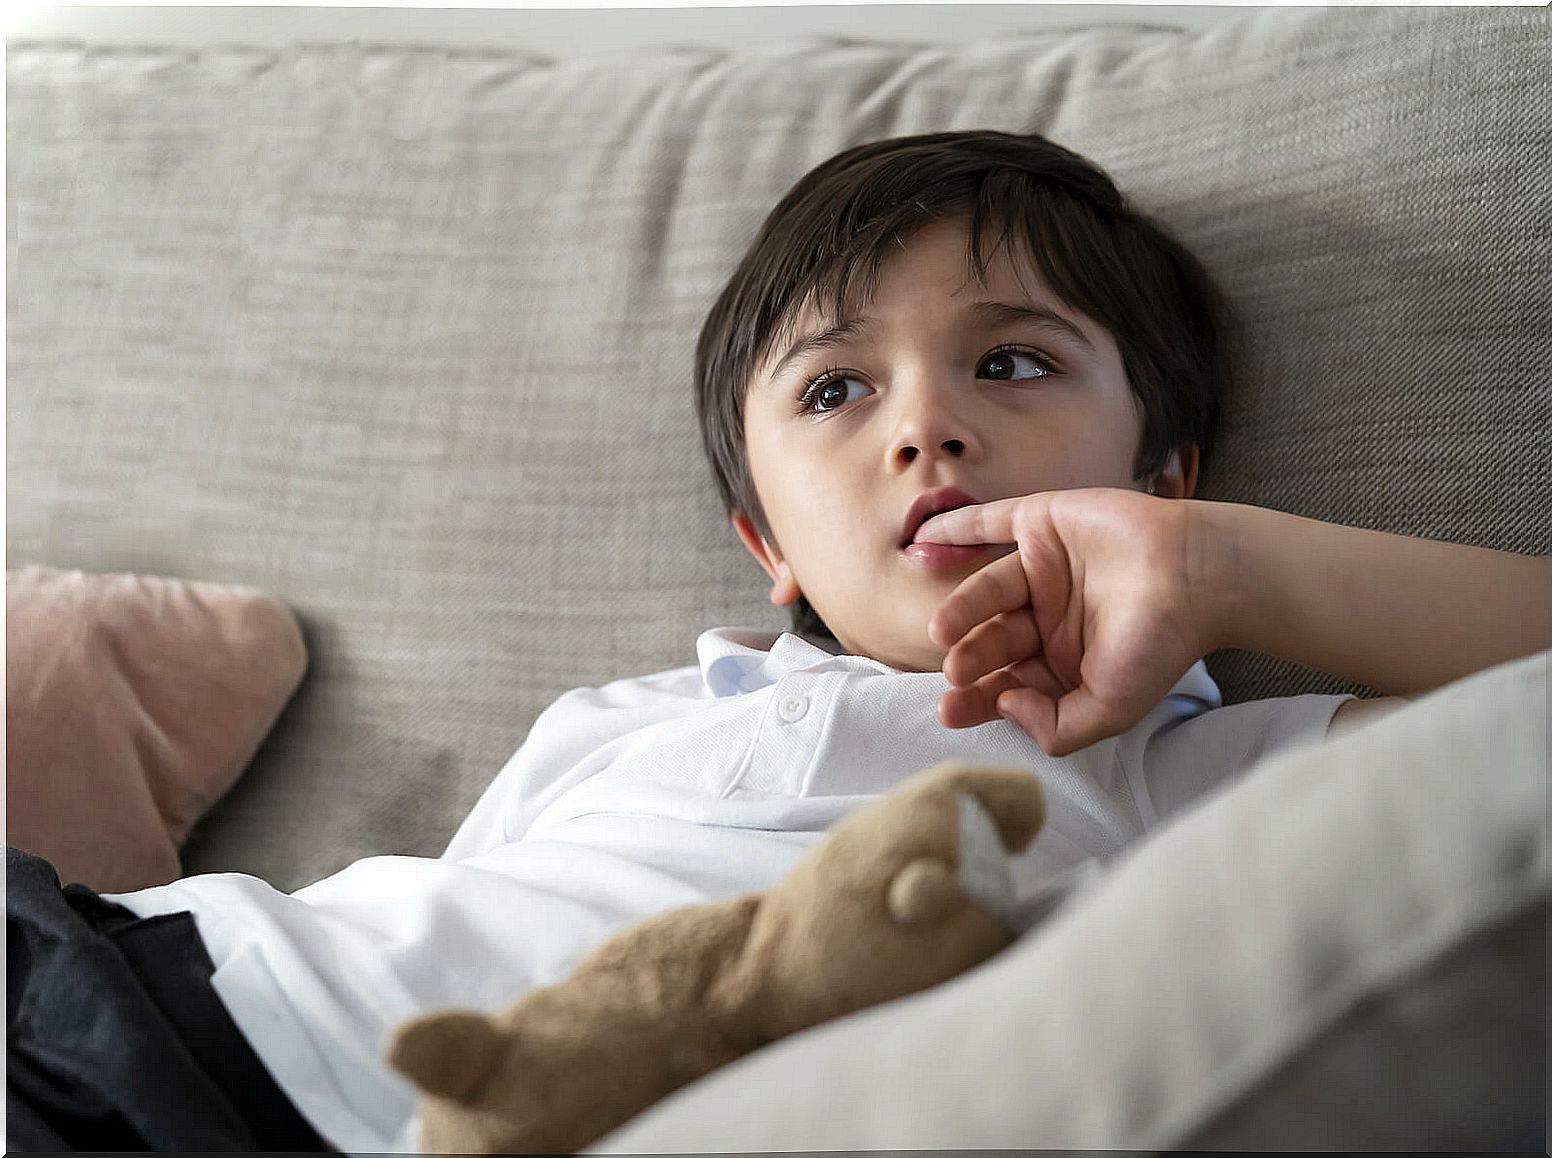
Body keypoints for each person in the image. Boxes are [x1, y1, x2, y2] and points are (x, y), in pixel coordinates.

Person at [9, 130, 1548, 1154]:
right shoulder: (637, 709)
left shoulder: (1173, 765)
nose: (929, 423)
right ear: (770, 547)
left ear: (1163, 470)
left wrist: (1214, 568)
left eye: (1011, 360)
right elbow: (455, 902)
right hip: (156, 963)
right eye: (835, 390)